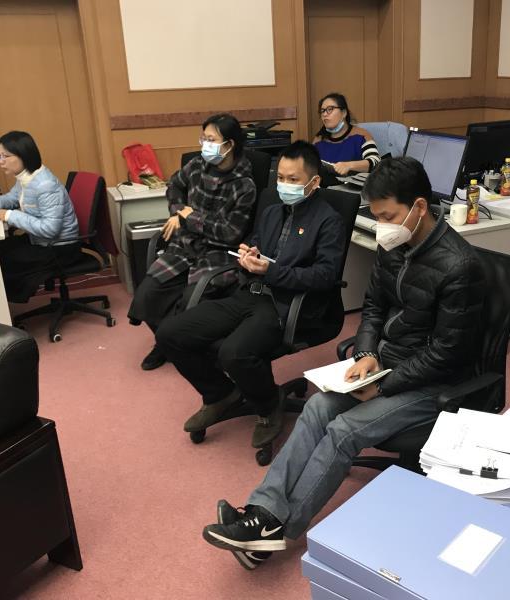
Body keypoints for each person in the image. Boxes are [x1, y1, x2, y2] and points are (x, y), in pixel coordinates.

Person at [200, 157, 486, 569]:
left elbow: (448, 353)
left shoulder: (459, 266)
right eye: (377, 216)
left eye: (388, 217)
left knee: (344, 430)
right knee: (317, 406)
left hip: (435, 382)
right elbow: (373, 308)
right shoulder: (395, 244)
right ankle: (263, 511)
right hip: (387, 363)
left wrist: (384, 386)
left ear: (419, 207)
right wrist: (367, 354)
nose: (382, 226)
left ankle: (277, 531)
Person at [155, 141, 344, 449]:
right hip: (250, 292)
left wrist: (271, 270)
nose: (284, 185)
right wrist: (248, 256)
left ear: (314, 182)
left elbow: (325, 276)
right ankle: (220, 394)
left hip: (287, 305)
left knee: (233, 352)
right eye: (280, 177)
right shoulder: (271, 212)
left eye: (293, 179)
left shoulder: (328, 220)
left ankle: (269, 406)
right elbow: (256, 245)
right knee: (170, 333)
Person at [128, 113, 257, 371]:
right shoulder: (197, 165)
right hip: (184, 246)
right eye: (203, 138)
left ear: (229, 144)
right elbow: (174, 187)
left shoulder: (245, 185)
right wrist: (178, 211)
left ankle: (172, 343)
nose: (205, 145)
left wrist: (190, 217)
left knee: (190, 301)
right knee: (147, 294)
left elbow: (230, 233)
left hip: (218, 253)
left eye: (211, 139)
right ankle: (166, 342)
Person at [0, 131, 80, 303]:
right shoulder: (27, 177)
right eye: (0, 156)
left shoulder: (45, 185)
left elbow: (50, 229)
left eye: (6, 156)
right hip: (40, 241)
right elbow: (12, 198)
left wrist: (9, 215)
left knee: (1, 259)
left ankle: (1, 306)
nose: (0, 161)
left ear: (23, 155)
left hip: (60, 248)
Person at [313, 92, 380, 176]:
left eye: (330, 109)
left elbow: (376, 162)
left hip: (353, 184)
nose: (324, 114)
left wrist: (349, 165)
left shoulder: (361, 135)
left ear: (344, 113)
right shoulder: (318, 140)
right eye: (322, 111)